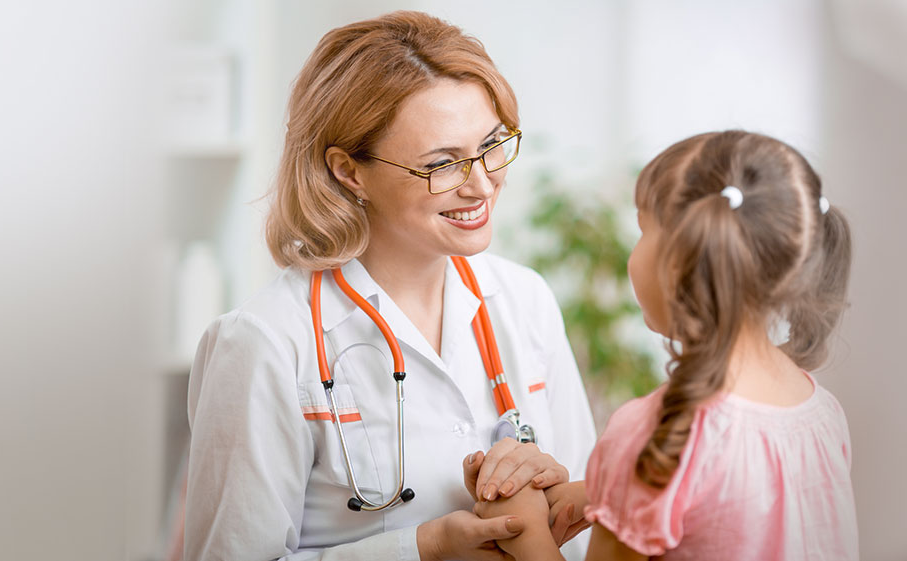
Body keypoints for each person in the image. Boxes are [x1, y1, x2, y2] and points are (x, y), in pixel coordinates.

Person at [182, 11, 597, 561]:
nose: (481, 184)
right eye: (442, 163)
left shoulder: (525, 300)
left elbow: (588, 535)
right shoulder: (264, 342)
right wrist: (422, 550)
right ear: (348, 171)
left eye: (492, 144)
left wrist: (557, 501)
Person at [465, 130, 859, 560]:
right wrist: (601, 491)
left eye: (642, 230)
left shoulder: (655, 435)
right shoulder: (819, 409)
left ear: (677, 263)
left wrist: (526, 532)